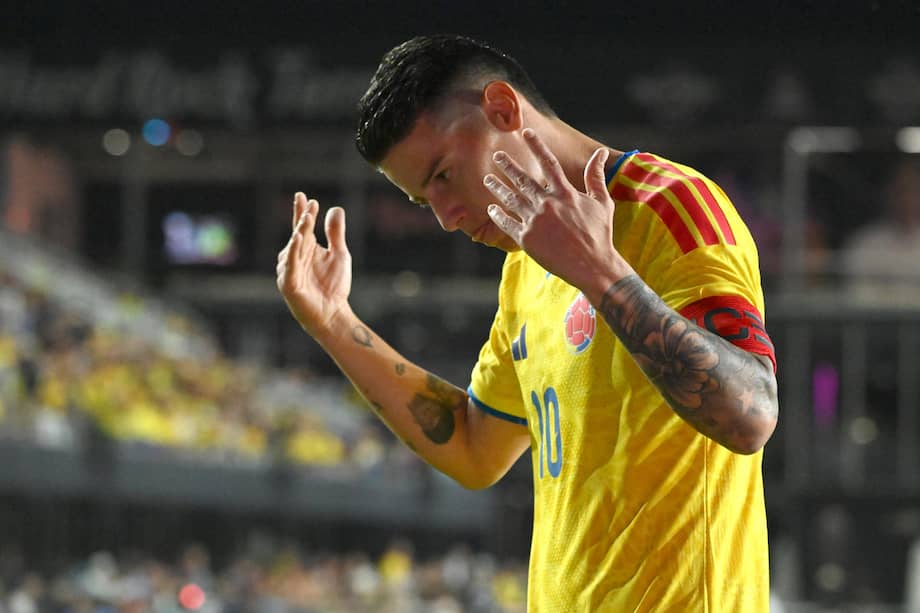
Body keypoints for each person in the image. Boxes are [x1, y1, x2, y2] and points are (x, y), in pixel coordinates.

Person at [276, 35, 779, 612]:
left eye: (444, 175)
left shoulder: (671, 207)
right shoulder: (524, 270)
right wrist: (334, 323)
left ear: (502, 109)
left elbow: (750, 417)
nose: (446, 218)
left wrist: (600, 274)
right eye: (423, 200)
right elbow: (474, 447)